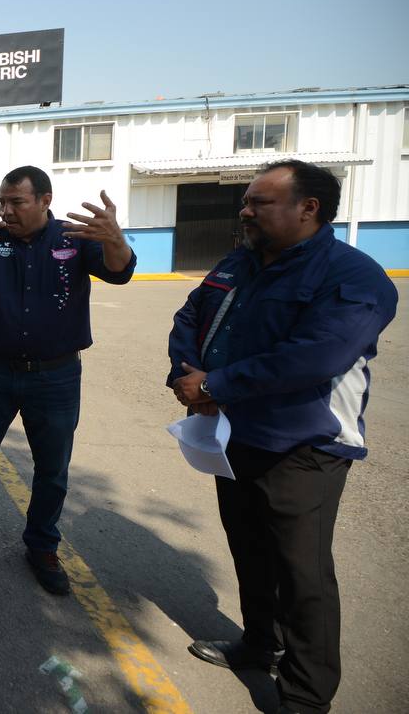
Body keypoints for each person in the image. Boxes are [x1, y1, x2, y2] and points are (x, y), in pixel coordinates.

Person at [167, 160, 397, 714]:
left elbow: (315, 357)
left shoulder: (353, 278)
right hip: (231, 438)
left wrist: (217, 382)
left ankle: (304, 697)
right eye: (247, 201)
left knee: (303, 575)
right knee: (249, 550)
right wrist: (187, 374)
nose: (245, 210)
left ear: (308, 208)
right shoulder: (237, 262)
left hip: (303, 448)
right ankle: (257, 643)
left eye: (258, 202)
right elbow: (191, 314)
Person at [0, 166, 136, 595]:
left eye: (15, 202)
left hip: (55, 376)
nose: (6, 210)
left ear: (45, 199)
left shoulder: (74, 238)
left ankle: (41, 546)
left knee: (52, 469)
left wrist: (115, 238)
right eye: (2, 201)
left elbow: (120, 272)